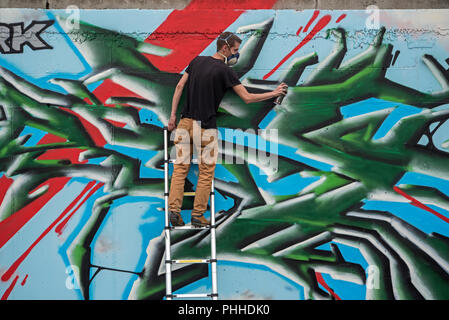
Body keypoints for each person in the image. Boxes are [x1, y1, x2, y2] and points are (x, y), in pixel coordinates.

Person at [167, 31, 288, 227]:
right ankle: (198, 215)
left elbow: (180, 86)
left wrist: (173, 116)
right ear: (225, 48)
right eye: (234, 50)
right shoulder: (225, 71)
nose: (236, 54)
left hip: (184, 124)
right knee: (206, 173)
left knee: (180, 170)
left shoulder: (197, 61)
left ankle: (174, 210)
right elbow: (247, 98)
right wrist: (274, 93)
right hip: (205, 128)